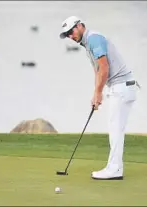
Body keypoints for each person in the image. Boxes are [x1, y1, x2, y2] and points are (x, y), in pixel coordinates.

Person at [59, 16, 139, 180]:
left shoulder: (94, 38)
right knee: (115, 129)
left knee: (115, 129)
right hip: (121, 87)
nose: (70, 36)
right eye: (67, 34)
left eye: (71, 31)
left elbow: (104, 67)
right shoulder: (87, 44)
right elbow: (98, 71)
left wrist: (99, 93)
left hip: (121, 87)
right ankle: (114, 168)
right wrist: (96, 93)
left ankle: (115, 169)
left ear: (80, 25)